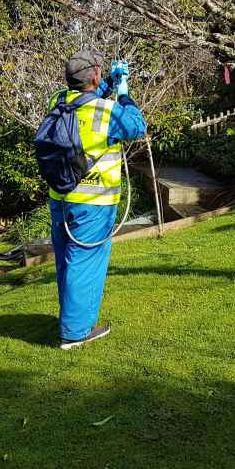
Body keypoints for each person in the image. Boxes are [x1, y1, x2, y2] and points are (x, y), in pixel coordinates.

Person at [47, 50, 146, 349]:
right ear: (95, 75)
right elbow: (136, 125)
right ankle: (75, 333)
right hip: (94, 202)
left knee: (67, 262)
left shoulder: (58, 102)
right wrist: (124, 90)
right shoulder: (107, 111)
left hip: (61, 197)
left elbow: (85, 96)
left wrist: (109, 84)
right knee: (84, 262)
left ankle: (71, 318)